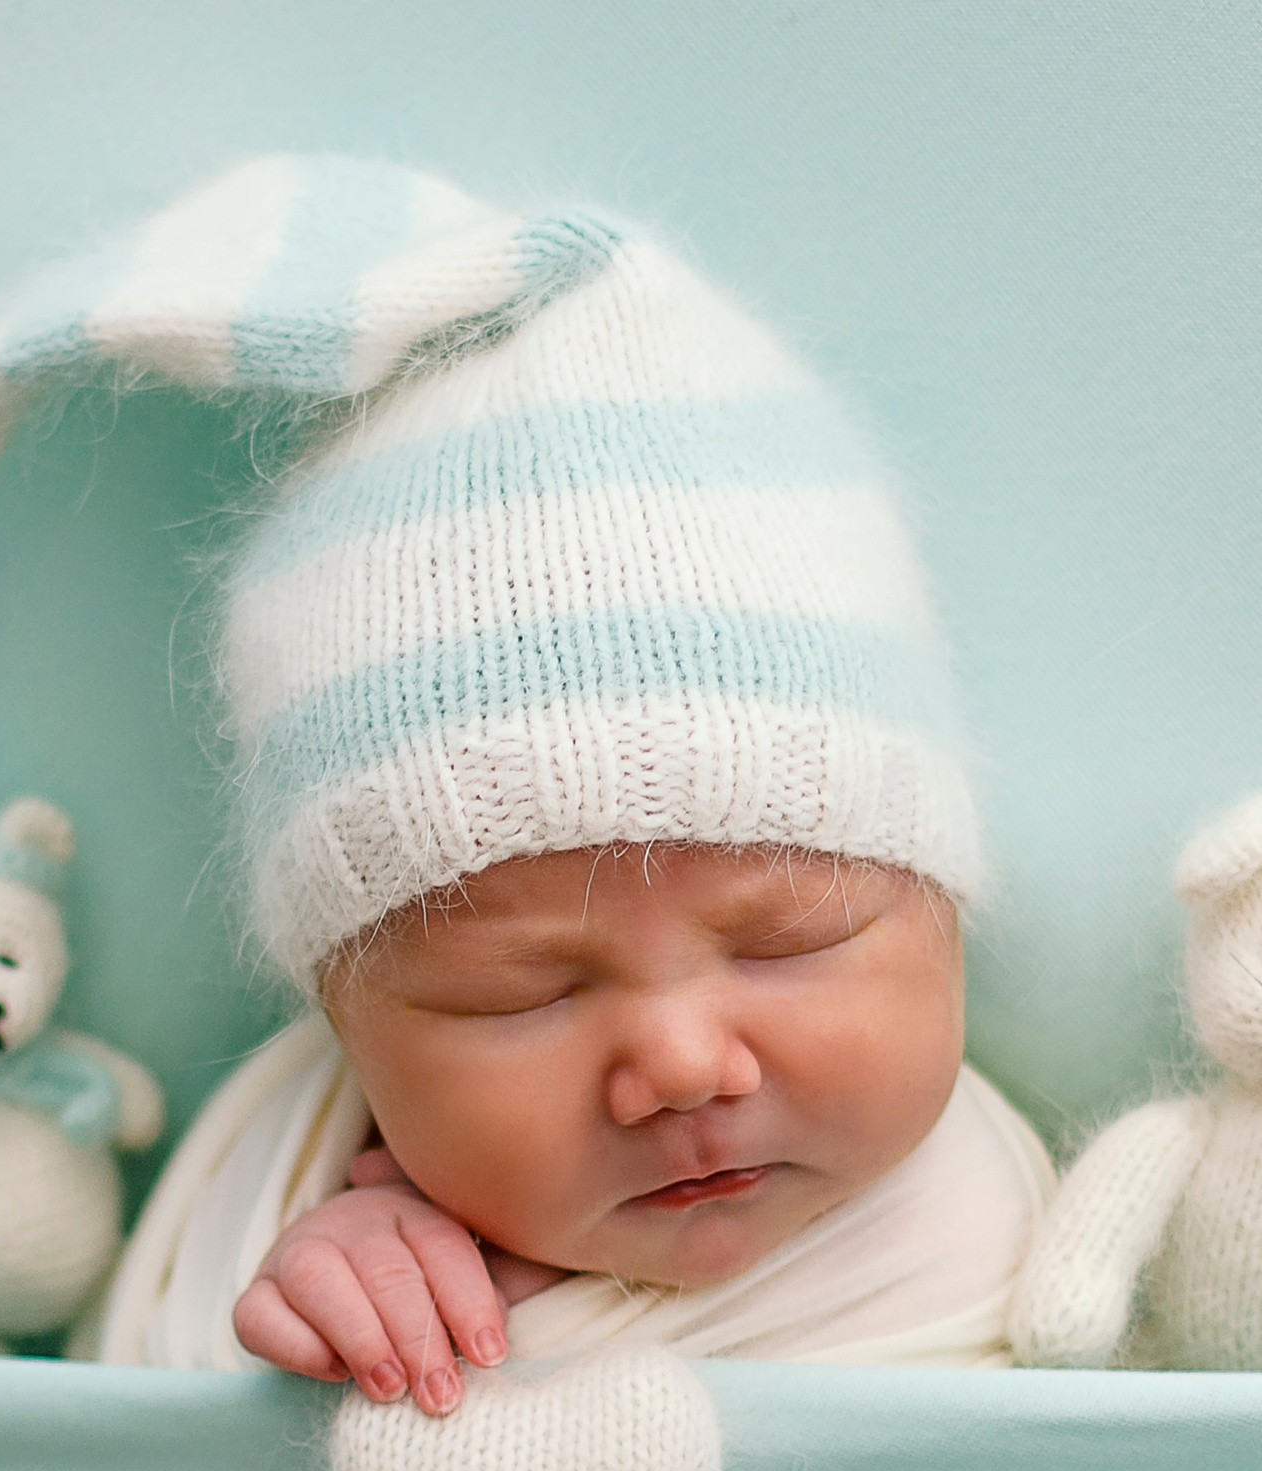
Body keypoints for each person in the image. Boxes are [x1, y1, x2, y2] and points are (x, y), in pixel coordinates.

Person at [64, 157, 1051, 1399]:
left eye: (790, 940)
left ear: (945, 910)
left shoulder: (1023, 1234)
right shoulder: (306, 1178)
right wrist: (335, 1302)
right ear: (348, 1028)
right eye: (513, 995)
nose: (686, 1065)